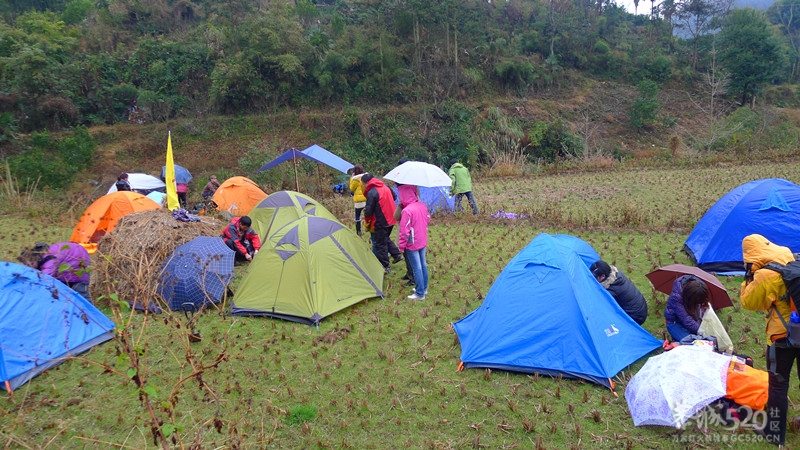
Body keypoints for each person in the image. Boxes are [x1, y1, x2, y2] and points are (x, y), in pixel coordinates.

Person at [740, 233, 798, 446]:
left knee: (778, 384)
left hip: (781, 336)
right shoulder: (788, 255)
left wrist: (749, 277)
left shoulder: (765, 275)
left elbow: (749, 302)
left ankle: (774, 433)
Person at [19, 242, 91, 301]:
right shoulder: (43, 254)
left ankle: (92, 315)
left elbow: (45, 279)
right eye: (27, 265)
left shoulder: (49, 260)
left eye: (31, 264)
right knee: (64, 293)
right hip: (69, 263)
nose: (30, 267)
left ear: (35, 259)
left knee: (82, 296)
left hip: (78, 264)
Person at [362, 173, 403, 273]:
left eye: (363, 184)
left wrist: (367, 221)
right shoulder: (385, 186)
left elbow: (368, 210)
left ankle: (385, 266)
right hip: (392, 217)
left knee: (380, 244)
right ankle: (396, 254)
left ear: (366, 183)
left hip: (381, 220)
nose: (363, 186)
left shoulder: (372, 192)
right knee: (385, 238)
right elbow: (394, 197)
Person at [589, 260, 648, 325]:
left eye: (594, 277)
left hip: (635, 316)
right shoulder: (615, 274)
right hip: (639, 308)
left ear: (603, 276)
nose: (592, 279)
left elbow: (602, 307)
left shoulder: (611, 290)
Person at [398, 187, 430, 300]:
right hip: (422, 239)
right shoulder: (422, 205)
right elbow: (427, 219)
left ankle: (420, 293)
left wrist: (401, 246)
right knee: (423, 265)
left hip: (412, 243)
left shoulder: (407, 211)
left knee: (417, 267)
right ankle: (423, 288)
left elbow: (404, 231)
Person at [663, 275, 711, 342]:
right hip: (674, 323)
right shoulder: (677, 297)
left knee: (704, 340)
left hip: (692, 318)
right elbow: (686, 319)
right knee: (692, 342)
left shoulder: (699, 287)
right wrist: (700, 330)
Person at [349, 165, 367, 237]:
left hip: (358, 201)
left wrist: (351, 178)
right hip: (366, 199)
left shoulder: (355, 179)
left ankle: (358, 231)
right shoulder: (366, 177)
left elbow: (351, 188)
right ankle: (368, 227)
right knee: (367, 215)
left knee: (357, 216)